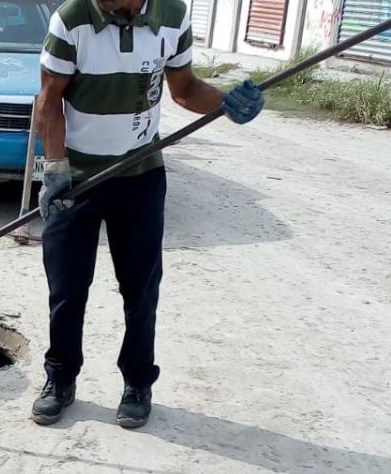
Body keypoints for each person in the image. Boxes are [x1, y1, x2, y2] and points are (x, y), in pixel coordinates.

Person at [32, 0, 264, 427]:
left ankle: (138, 382)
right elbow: (49, 98)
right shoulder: (72, 18)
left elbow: (185, 88)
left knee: (141, 289)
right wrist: (55, 169)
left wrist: (227, 104)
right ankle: (60, 378)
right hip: (78, 178)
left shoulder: (171, 17)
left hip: (139, 173)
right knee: (67, 286)